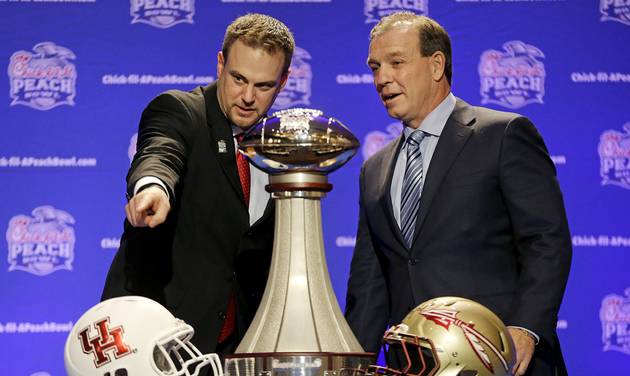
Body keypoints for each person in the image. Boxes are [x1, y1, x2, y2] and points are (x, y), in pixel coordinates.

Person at [345, 12, 571, 376]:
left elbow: (546, 241)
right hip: (415, 367)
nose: (382, 78)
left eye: (396, 63)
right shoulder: (375, 168)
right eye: (375, 67)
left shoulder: (503, 134)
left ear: (436, 65)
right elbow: (369, 285)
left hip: (501, 360)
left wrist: (526, 328)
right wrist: (354, 364)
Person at [102, 13, 294, 357]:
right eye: (238, 78)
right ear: (220, 64)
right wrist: (154, 187)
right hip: (155, 345)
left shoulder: (279, 145)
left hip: (238, 350)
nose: (248, 96)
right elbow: (161, 152)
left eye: (264, 86)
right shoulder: (181, 112)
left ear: (283, 81)